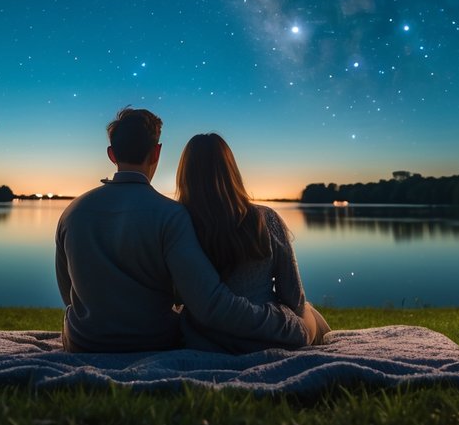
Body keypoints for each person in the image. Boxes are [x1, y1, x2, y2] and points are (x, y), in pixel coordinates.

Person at [54, 107, 310, 353]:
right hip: (153, 341)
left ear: (112, 154)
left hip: (83, 341)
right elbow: (208, 302)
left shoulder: (72, 212)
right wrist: (283, 323)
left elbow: (68, 292)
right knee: (310, 318)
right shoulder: (170, 215)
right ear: (156, 153)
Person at [176, 133, 331, 350]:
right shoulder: (265, 219)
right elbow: (293, 297)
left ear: (185, 174)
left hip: (205, 337)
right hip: (266, 331)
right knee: (309, 312)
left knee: (309, 313)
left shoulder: (177, 224)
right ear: (232, 171)